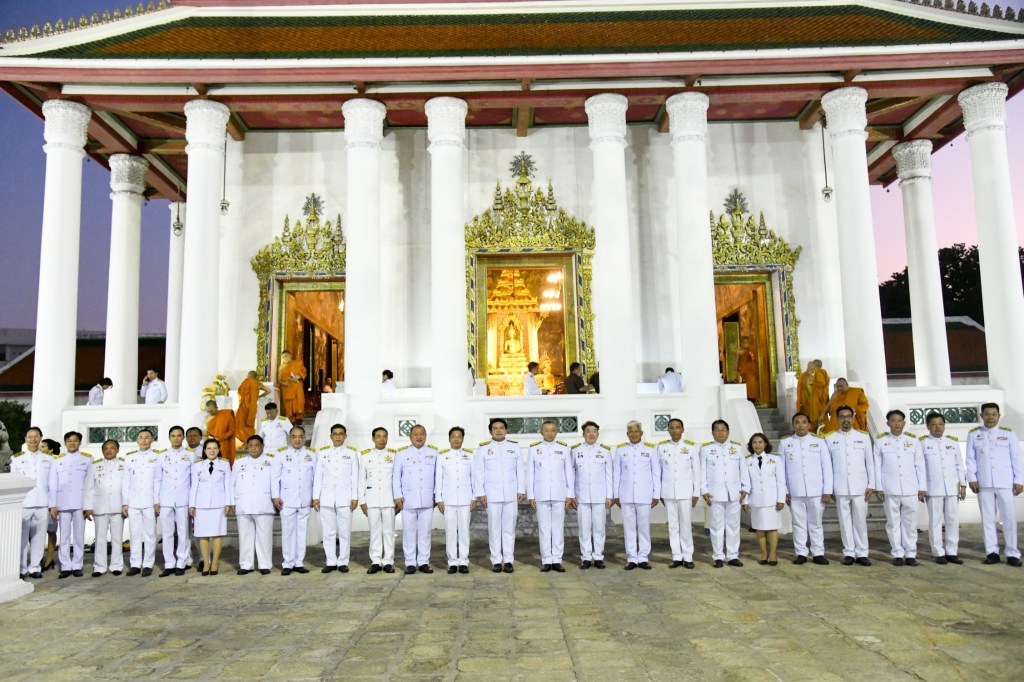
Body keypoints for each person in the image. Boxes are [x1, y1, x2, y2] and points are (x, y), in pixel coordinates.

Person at [966, 402, 1023, 566]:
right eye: (987, 414)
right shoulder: (974, 435)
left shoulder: (1008, 434)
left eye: (993, 414)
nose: (990, 417)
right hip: (984, 483)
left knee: (1009, 518)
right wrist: (972, 478)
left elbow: (1016, 458)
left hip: (1005, 482)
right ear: (981, 416)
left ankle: (1012, 553)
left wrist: (1019, 480)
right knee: (987, 519)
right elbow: (970, 459)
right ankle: (992, 552)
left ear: (999, 416)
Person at [874, 409, 926, 566]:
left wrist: (922, 487)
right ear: (888, 423)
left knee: (910, 523)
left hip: (910, 488)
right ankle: (897, 553)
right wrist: (879, 488)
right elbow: (877, 466)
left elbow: (920, 465)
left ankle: (910, 553)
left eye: (899, 421)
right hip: (890, 488)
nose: (896, 424)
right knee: (893, 523)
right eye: (893, 420)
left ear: (904, 423)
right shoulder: (880, 441)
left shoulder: (913, 441)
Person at [824, 405, 875, 566]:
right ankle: (849, 552)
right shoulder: (830, 438)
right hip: (840, 487)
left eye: (848, 416)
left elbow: (870, 463)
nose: (845, 419)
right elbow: (827, 466)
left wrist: (871, 484)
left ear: (853, 418)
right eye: (842, 417)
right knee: (844, 522)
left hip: (860, 487)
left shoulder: (863, 437)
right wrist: (829, 488)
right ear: (837, 419)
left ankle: (862, 553)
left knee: (860, 521)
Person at [780, 412, 833, 566]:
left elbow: (827, 467)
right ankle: (801, 553)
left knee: (816, 523)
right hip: (795, 491)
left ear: (809, 425)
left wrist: (827, 490)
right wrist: (785, 491)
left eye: (804, 422)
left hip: (816, 490)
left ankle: (818, 553)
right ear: (793, 425)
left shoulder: (819, 442)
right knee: (798, 524)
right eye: (797, 422)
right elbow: (781, 470)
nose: (800, 425)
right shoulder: (785, 443)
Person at [473, 417, 525, 573]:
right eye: (495, 428)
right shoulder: (483, 448)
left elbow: (520, 470)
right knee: (494, 529)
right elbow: (478, 472)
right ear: (490, 431)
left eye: (501, 427)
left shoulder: (514, 447)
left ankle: (508, 560)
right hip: (491, 495)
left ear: (506, 430)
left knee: (509, 529)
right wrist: (481, 493)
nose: (498, 430)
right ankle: (496, 560)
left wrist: (521, 490)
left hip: (511, 494)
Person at [527, 420, 574, 573]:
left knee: (558, 528)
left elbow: (569, 473)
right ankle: (546, 560)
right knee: (544, 528)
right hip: (541, 494)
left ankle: (557, 560)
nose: (550, 433)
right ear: (541, 432)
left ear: (556, 432)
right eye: (546, 430)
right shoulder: (534, 449)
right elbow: (530, 474)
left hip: (559, 494)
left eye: (553, 430)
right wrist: (531, 495)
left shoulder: (564, 448)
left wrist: (570, 495)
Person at [701, 420, 749, 567]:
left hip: (734, 493)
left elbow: (743, 470)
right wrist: (704, 490)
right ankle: (718, 556)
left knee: (733, 526)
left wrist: (745, 488)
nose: (720, 432)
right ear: (712, 432)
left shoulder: (737, 448)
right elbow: (702, 471)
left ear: (728, 432)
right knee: (716, 526)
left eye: (723, 430)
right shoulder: (706, 449)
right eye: (717, 430)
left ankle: (733, 555)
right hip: (714, 494)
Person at [920, 412, 967, 565]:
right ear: (928, 426)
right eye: (933, 424)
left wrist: (963, 485)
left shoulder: (952, 442)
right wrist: (921, 487)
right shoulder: (922, 443)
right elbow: (920, 468)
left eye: (940, 424)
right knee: (935, 521)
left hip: (952, 488)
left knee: (953, 520)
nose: (937, 427)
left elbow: (959, 465)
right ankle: (938, 552)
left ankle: (952, 551)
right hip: (933, 488)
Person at [313, 423, 359, 573]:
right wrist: (316, 497)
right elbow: (318, 476)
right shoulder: (323, 453)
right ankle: (331, 561)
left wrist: (354, 497)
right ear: (331, 436)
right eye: (335, 434)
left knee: (345, 532)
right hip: (326, 498)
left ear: (345, 436)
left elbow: (355, 477)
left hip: (345, 498)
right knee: (328, 532)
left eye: (341, 434)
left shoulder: (352, 453)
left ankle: (343, 561)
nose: (338, 436)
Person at [615, 420, 661, 570]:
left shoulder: (651, 449)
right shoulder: (620, 450)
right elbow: (617, 474)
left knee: (643, 527)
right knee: (629, 528)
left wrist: (656, 494)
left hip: (644, 494)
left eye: (636, 431)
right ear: (627, 434)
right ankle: (631, 558)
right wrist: (616, 494)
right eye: (631, 432)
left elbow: (656, 473)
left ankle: (643, 557)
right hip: (626, 494)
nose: (634, 434)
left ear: (641, 433)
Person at [48, 431, 93, 578]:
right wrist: (52, 505)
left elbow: (89, 485)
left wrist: (88, 506)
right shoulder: (58, 460)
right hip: (62, 503)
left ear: (80, 442)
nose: (72, 443)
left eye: (75, 440)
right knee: (64, 536)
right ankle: (66, 566)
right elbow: (53, 484)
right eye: (69, 440)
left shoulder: (87, 459)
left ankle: (77, 565)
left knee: (79, 536)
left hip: (80, 503)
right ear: (65, 443)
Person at [393, 424, 438, 574]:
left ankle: (424, 562)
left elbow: (438, 477)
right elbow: (396, 477)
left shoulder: (434, 453)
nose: (419, 437)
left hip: (427, 499)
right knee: (409, 533)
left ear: (425, 436)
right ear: (410, 437)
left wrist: (437, 496)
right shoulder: (401, 453)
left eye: (422, 434)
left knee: (425, 533)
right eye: (416, 434)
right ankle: (410, 562)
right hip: (407, 500)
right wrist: (397, 496)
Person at [272, 426, 316, 575]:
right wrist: (275, 496)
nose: (297, 439)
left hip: (305, 499)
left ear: (304, 438)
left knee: (302, 533)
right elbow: (275, 477)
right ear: (289, 438)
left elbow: (315, 478)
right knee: (288, 533)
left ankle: (299, 562)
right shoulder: (281, 454)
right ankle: (288, 563)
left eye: (300, 436)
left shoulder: (311, 454)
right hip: (287, 500)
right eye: (294, 436)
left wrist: (315, 496)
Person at [658, 418, 700, 569]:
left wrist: (696, 492)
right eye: (672, 427)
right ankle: (676, 556)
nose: (674, 430)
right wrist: (659, 493)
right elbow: (658, 472)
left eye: (677, 427)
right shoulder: (661, 447)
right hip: (668, 492)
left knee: (686, 525)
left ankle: (688, 556)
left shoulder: (690, 447)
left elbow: (696, 471)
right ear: (668, 430)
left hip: (685, 492)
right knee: (673, 526)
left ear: (682, 430)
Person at [232, 435, 276, 575]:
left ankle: (265, 565)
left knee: (264, 537)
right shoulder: (239, 462)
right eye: (251, 445)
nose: (254, 448)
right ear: (247, 447)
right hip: (243, 504)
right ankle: (246, 565)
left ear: (262, 446)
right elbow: (232, 483)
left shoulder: (271, 461)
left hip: (264, 503)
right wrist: (232, 502)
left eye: (257, 445)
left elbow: (275, 482)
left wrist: (276, 498)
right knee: (245, 537)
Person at [12, 426, 51, 580]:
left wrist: (52, 504)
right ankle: (21, 568)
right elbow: (14, 482)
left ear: (40, 438)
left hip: (42, 501)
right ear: (25, 439)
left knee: (39, 537)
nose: (33, 439)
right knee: (21, 538)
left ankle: (35, 567)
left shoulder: (49, 459)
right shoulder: (16, 459)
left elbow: (52, 483)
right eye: (30, 436)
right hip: (24, 502)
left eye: (36, 436)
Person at [572, 421, 613, 569]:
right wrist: (572, 495)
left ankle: (598, 556)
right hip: (582, 496)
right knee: (584, 529)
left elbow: (609, 475)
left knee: (599, 528)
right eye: (588, 431)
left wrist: (609, 496)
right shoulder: (575, 450)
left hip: (599, 496)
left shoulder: (605, 451)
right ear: (583, 434)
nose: (591, 434)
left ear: (598, 434)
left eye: (594, 431)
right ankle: (586, 557)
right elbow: (572, 474)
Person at [189, 438, 232, 576]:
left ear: (219, 450)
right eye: (209, 448)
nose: (212, 451)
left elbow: (228, 485)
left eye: (215, 448)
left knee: (217, 533)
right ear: (204, 450)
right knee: (203, 534)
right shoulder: (197, 465)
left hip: (219, 504)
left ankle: (215, 562)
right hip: (201, 504)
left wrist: (228, 503)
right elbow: (194, 486)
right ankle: (206, 563)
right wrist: (192, 505)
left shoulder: (224, 464)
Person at [435, 426, 475, 574]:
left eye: (459, 436)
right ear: (449, 439)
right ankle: (452, 561)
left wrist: (474, 497)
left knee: (464, 531)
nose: (456, 439)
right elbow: (438, 479)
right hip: (448, 500)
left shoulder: (470, 456)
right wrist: (439, 499)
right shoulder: (442, 456)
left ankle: (463, 561)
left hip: (465, 499)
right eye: (453, 436)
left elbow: (474, 478)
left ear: (463, 439)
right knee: (450, 532)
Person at [122, 429, 161, 576]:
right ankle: (135, 564)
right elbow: (126, 481)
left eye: (147, 437)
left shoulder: (157, 457)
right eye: (141, 437)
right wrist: (125, 502)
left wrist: (157, 501)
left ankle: (148, 564)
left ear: (152, 440)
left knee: (150, 534)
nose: (144, 440)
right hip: (133, 501)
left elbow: (158, 480)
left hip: (150, 501)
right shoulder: (130, 458)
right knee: (135, 534)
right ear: (137, 440)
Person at [742, 433, 786, 566]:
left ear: (765, 444)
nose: (757, 445)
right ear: (751, 445)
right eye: (754, 442)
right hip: (756, 500)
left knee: (772, 528)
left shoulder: (775, 459)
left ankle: (773, 554)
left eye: (760, 442)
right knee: (759, 528)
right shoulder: (747, 461)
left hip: (772, 500)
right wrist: (745, 501)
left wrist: (781, 499)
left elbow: (781, 481)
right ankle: (763, 554)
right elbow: (745, 482)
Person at [84, 439, 126, 577]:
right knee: (100, 538)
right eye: (106, 448)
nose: (109, 450)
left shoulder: (124, 465)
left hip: (118, 506)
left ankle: (116, 565)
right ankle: (99, 566)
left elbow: (127, 487)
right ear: (102, 451)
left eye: (112, 448)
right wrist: (88, 507)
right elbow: (89, 487)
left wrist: (126, 504)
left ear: (117, 450)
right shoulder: (95, 466)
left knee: (117, 538)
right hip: (100, 506)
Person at [360, 427, 397, 574]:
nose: (382, 439)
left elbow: (396, 480)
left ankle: (388, 561)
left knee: (389, 532)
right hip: (371, 499)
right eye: (378, 436)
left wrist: (397, 500)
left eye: (384, 436)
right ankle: (375, 560)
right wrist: (362, 501)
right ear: (373, 439)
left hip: (389, 499)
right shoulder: (365, 456)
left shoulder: (394, 455)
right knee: (374, 531)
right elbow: (361, 480)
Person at [157, 426, 192, 577]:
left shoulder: (190, 456)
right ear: (169, 438)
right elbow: (157, 479)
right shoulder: (162, 456)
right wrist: (156, 500)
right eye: (173, 435)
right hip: (166, 499)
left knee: (184, 533)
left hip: (184, 499)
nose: (176, 438)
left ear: (183, 437)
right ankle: (169, 563)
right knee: (167, 533)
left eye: (179, 435)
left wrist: (192, 502)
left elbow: (193, 480)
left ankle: (181, 562)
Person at [236, 371, 269, 444]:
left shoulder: (246, 381)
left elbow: (240, 393)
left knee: (241, 425)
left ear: (249, 375)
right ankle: (247, 442)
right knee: (249, 424)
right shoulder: (258, 384)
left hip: (243, 406)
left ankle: (246, 442)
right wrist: (258, 397)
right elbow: (268, 390)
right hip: (252, 407)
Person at [202, 400, 237, 466]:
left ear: (216, 408)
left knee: (223, 463)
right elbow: (207, 432)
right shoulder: (206, 418)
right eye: (208, 411)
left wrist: (220, 438)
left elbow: (231, 431)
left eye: (211, 411)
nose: (209, 413)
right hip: (211, 444)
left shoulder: (226, 415)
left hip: (223, 443)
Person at [796, 360, 829, 427]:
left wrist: (813, 383)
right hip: (807, 402)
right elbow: (802, 389)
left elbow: (821, 383)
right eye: (810, 366)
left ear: (814, 366)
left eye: (812, 365)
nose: (811, 367)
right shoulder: (804, 375)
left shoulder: (819, 372)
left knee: (819, 417)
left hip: (818, 400)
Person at [277, 350, 307, 424]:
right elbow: (279, 379)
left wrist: (299, 376)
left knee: (299, 402)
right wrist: (284, 383)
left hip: (297, 386)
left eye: (286, 356)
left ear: (290, 356)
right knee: (288, 404)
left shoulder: (297, 363)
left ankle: (299, 418)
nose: (285, 358)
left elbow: (304, 372)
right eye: (283, 357)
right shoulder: (281, 367)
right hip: (287, 387)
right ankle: (291, 419)